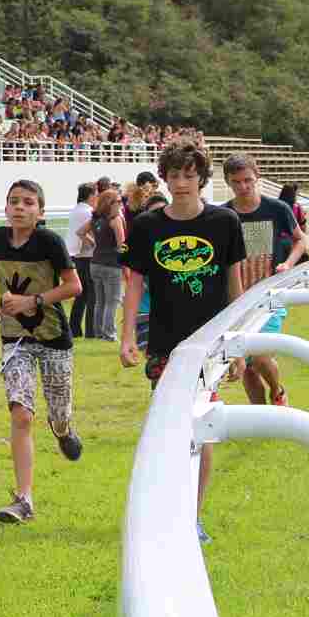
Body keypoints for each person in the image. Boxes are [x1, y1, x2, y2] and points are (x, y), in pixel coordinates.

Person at [119, 140, 245, 544]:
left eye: (190, 174)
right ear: (165, 178)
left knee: (201, 425)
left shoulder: (224, 222)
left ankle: (193, 514)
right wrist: (127, 335)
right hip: (165, 343)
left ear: (202, 178)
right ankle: (168, 507)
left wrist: (238, 342)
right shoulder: (147, 226)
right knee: (170, 426)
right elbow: (134, 284)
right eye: (174, 175)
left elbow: (235, 283)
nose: (182, 182)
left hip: (211, 345)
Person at [0, 179, 83, 524]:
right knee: (21, 413)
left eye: (27, 202)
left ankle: (63, 430)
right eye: (14, 201)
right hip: (15, 339)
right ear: (6, 208)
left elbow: (74, 286)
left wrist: (32, 301)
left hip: (53, 337)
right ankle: (24, 499)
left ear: (40, 212)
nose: (19, 207)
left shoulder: (50, 242)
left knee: (58, 411)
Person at [219, 155, 307, 405]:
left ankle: (277, 392)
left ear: (257, 176)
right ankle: (261, 414)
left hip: (271, 294)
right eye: (236, 182)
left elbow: (300, 240)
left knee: (259, 355)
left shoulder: (277, 209)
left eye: (248, 180)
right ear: (227, 181)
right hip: (236, 298)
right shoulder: (223, 215)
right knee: (247, 365)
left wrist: (288, 264)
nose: (243, 186)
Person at [86, 189, 125, 339]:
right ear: (110, 203)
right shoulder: (115, 220)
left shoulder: (95, 219)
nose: (121, 204)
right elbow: (122, 245)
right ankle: (109, 333)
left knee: (100, 301)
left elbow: (80, 232)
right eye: (119, 201)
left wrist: (93, 243)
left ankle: (98, 332)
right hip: (111, 264)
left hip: (95, 263)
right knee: (112, 301)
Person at [65, 182, 95, 338]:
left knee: (81, 294)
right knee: (92, 294)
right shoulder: (88, 212)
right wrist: (94, 243)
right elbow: (85, 232)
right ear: (91, 195)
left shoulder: (76, 210)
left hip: (74, 255)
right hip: (87, 255)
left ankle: (74, 327)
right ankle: (91, 329)